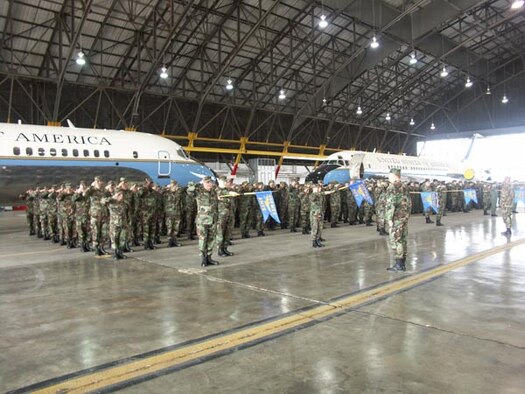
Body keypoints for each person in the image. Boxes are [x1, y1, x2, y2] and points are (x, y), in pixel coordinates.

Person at [386, 168, 411, 272]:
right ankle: (403, 264)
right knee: (403, 239)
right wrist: (407, 215)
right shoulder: (405, 186)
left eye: (389, 175)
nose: (388, 177)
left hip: (396, 217)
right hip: (404, 217)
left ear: (394, 176)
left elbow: (390, 204)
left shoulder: (392, 187)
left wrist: (389, 219)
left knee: (396, 240)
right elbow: (409, 203)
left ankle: (399, 265)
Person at [195, 176, 219, 267]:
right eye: (207, 182)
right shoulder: (199, 191)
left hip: (213, 219)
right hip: (202, 220)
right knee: (203, 239)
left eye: (211, 182)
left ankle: (209, 257)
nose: (209, 184)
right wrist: (199, 184)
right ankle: (203, 259)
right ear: (203, 183)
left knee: (211, 239)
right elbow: (189, 191)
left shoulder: (214, 192)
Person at [309, 183, 325, 247]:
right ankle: (314, 241)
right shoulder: (312, 195)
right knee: (315, 227)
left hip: (320, 213)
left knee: (320, 227)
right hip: (314, 214)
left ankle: (318, 240)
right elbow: (312, 199)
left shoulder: (320, 194)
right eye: (318, 188)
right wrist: (315, 192)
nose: (319, 189)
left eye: (320, 188)